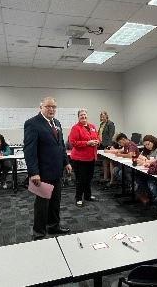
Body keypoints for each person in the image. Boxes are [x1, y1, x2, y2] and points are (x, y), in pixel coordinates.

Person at [23, 97, 72, 240]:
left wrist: (66, 162)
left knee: (55, 202)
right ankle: (39, 232)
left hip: (57, 171)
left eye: (54, 107)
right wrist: (33, 172)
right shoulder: (32, 123)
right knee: (42, 204)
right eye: (48, 106)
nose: (51, 109)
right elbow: (29, 151)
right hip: (42, 173)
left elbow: (61, 146)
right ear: (41, 107)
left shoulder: (57, 123)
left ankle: (53, 226)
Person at [69, 109, 100, 207]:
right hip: (79, 159)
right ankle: (78, 198)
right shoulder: (75, 128)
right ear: (78, 117)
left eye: (85, 115)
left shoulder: (92, 127)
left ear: (87, 116)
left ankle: (88, 196)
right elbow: (73, 142)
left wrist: (97, 141)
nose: (83, 117)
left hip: (91, 158)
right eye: (81, 115)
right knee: (81, 179)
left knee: (89, 178)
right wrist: (87, 143)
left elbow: (98, 137)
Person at [98, 111, 115, 184]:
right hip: (101, 144)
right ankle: (105, 177)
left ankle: (111, 179)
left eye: (103, 116)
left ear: (107, 116)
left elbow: (111, 135)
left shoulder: (110, 123)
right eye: (101, 116)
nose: (102, 117)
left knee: (109, 163)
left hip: (107, 145)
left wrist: (109, 145)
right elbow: (99, 134)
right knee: (104, 162)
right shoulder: (101, 124)